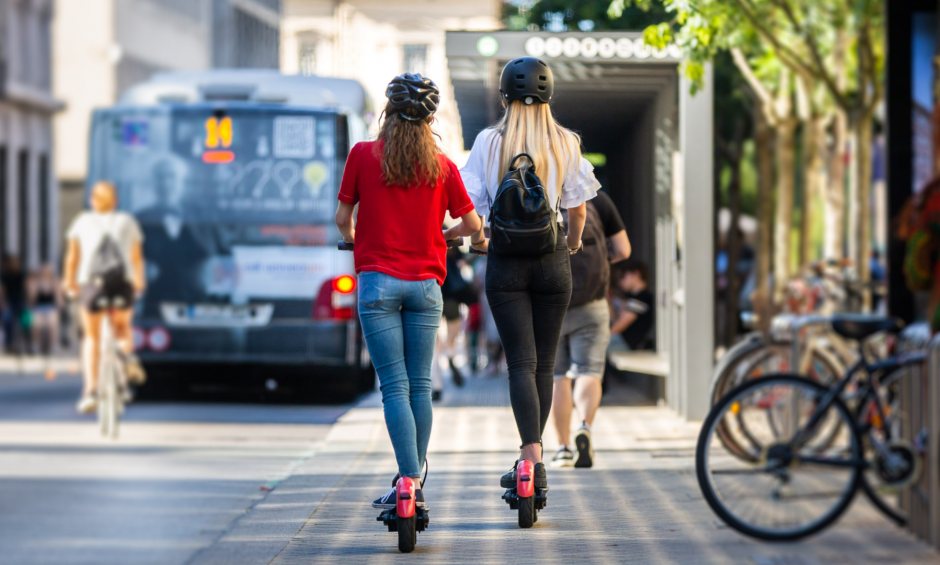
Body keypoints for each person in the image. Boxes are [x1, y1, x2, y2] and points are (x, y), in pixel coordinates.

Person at [334, 73, 481, 510]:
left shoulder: (362, 155)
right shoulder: (443, 165)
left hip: (378, 282)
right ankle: (413, 481)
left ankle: (407, 481)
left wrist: (359, 236)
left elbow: (343, 218)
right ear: (431, 117)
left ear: (387, 112)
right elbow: (473, 225)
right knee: (419, 384)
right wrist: (446, 233)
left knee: (394, 387)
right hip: (425, 286)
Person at [460, 57, 599, 494]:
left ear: (504, 97)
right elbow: (577, 208)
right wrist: (573, 242)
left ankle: (529, 457)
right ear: (550, 96)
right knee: (545, 361)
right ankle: (532, 463)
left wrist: (479, 240)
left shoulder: (488, 141)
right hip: (553, 257)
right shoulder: (566, 142)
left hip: (504, 261)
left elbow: (474, 206)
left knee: (520, 361)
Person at [550, 191, 631, 468]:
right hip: (592, 301)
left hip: (550, 304)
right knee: (589, 370)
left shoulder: (531, 192)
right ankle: (584, 426)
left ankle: (562, 447)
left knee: (558, 376)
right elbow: (623, 250)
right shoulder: (595, 196)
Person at [63, 181, 147, 414]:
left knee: (91, 336)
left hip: (93, 286)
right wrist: (139, 284)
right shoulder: (128, 221)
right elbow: (136, 257)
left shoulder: (81, 221)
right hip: (122, 286)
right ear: (116, 201)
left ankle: (90, 390)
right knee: (121, 328)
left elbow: (72, 258)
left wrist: (69, 284)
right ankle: (124, 373)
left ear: (92, 201)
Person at [610, 259, 655, 351]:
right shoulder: (634, 298)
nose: (620, 282)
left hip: (626, 345)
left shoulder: (642, 298)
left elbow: (618, 327)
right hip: (623, 343)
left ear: (636, 274)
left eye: (622, 277)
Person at [27, 264, 63, 356]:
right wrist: (34, 287)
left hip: (50, 307)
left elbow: (58, 298)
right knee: (36, 323)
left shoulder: (54, 282)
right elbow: (32, 299)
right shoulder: (36, 282)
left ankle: (54, 344)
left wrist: (60, 306)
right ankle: (35, 344)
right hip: (39, 307)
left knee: (53, 323)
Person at [1, 254, 29, 353]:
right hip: (9, 302)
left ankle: (28, 343)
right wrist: (4, 304)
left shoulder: (21, 274)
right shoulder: (5, 275)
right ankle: (9, 344)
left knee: (27, 320)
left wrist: (28, 302)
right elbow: (2, 291)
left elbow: (27, 288)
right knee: (7, 320)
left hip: (21, 302)